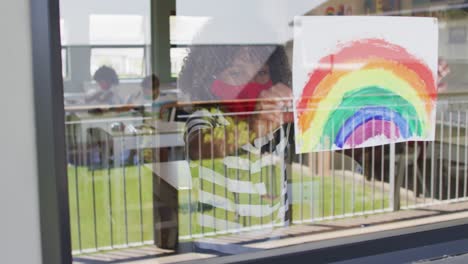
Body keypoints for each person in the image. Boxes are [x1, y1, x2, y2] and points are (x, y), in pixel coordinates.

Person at [178, 44, 294, 235]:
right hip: (221, 246)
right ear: (208, 79)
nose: (251, 83)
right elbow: (199, 148)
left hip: (274, 239)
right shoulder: (206, 117)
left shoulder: (277, 121)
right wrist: (251, 128)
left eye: (262, 72)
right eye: (236, 73)